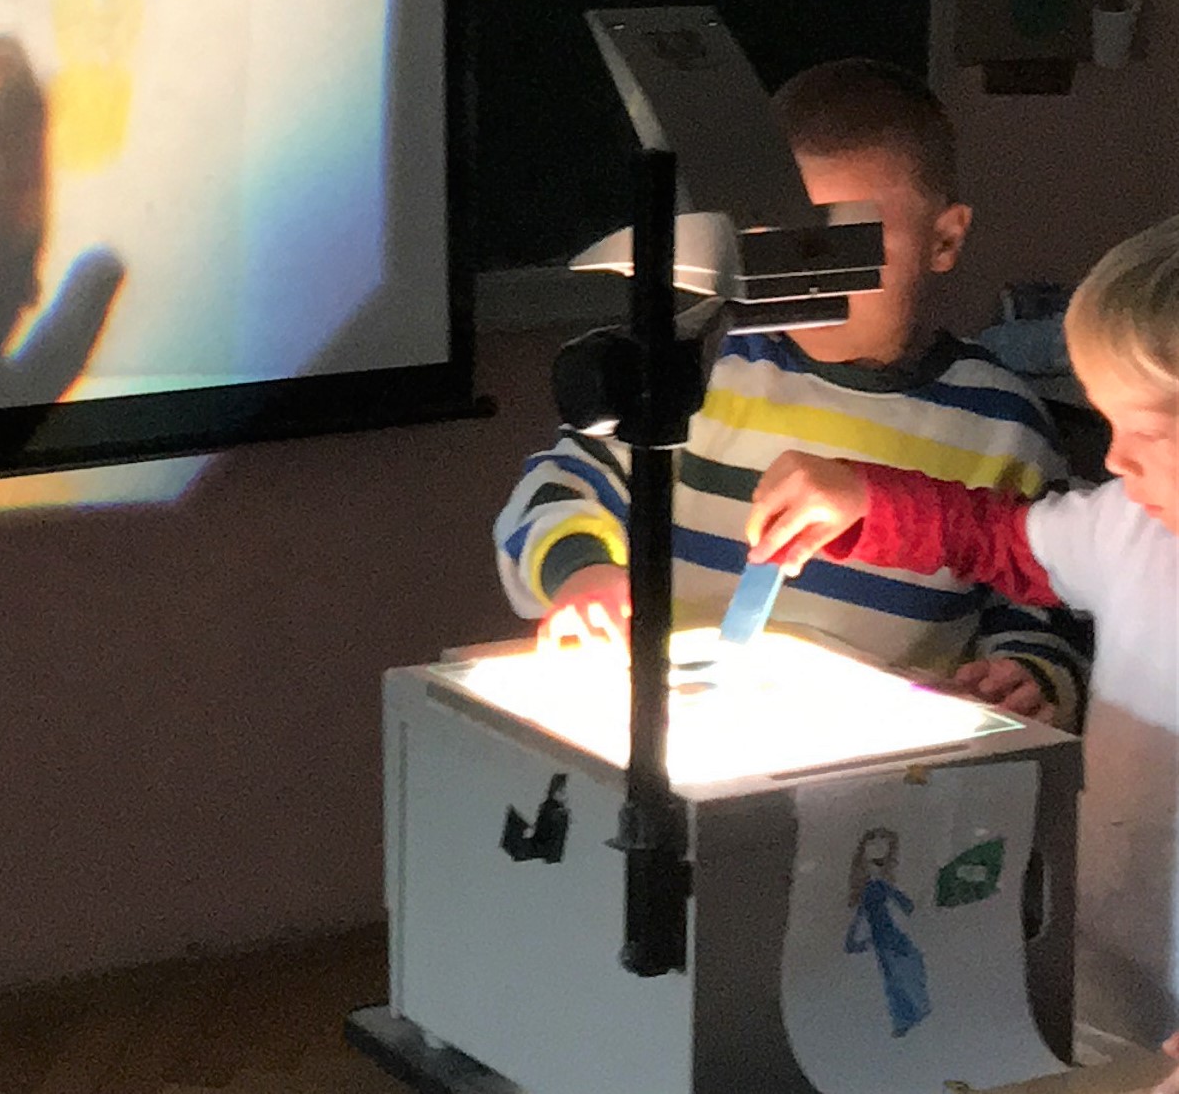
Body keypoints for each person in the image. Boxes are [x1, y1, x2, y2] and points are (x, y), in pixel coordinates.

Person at [493, 58, 1088, 724]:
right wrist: (582, 575)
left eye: (849, 244)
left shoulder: (1005, 425)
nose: (813, 274)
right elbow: (557, 485)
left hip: (883, 751)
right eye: (785, 240)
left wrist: (1028, 674)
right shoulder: (702, 371)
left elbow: (1053, 598)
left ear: (943, 238)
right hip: (684, 723)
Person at [749, 214, 1179, 1081]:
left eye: (1148, 432)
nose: (1114, 458)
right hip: (1105, 984)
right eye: (1105, 423)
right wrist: (863, 498)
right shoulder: (1130, 524)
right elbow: (1006, 542)